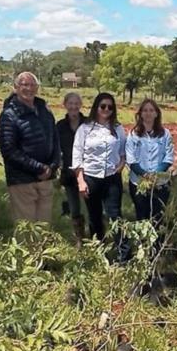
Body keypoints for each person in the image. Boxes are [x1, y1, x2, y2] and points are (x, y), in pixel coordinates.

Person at [0, 72, 60, 223]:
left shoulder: (45, 110)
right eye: (24, 85)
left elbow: (55, 140)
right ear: (16, 88)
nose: (29, 88)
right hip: (22, 181)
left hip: (46, 179)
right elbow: (9, 151)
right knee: (26, 229)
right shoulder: (9, 114)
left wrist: (52, 166)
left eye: (32, 85)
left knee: (44, 228)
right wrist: (39, 168)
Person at [72, 93, 126, 241]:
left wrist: (120, 168)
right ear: (96, 107)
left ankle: (123, 254)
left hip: (112, 178)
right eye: (103, 106)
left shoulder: (118, 128)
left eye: (110, 107)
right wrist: (81, 182)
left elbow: (123, 153)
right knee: (94, 217)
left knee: (115, 216)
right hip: (91, 178)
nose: (106, 109)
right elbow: (77, 156)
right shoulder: (85, 129)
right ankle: (98, 250)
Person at [125, 99, 174, 225]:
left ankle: (158, 244)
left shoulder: (165, 134)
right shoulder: (133, 134)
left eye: (151, 110)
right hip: (138, 182)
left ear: (156, 114)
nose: (148, 113)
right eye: (145, 110)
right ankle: (143, 244)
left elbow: (168, 157)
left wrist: (155, 174)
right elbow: (130, 158)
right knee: (142, 216)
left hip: (160, 183)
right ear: (140, 114)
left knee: (158, 218)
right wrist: (145, 175)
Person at [56, 92, 88, 243]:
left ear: (80, 105)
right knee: (74, 208)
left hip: (87, 172)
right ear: (65, 105)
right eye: (71, 103)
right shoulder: (60, 126)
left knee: (92, 206)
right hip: (68, 173)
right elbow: (56, 149)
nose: (73, 106)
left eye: (76, 103)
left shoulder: (89, 124)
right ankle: (79, 238)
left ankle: (97, 236)